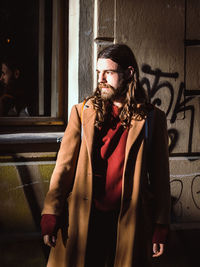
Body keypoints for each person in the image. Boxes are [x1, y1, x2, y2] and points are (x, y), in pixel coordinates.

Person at [41, 44, 171, 267]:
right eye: (98, 73)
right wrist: (50, 214)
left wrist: (160, 226)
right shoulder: (82, 113)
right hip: (84, 218)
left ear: (129, 73)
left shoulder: (151, 119)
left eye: (108, 73)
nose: (101, 79)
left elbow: (160, 178)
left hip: (129, 221)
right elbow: (63, 168)